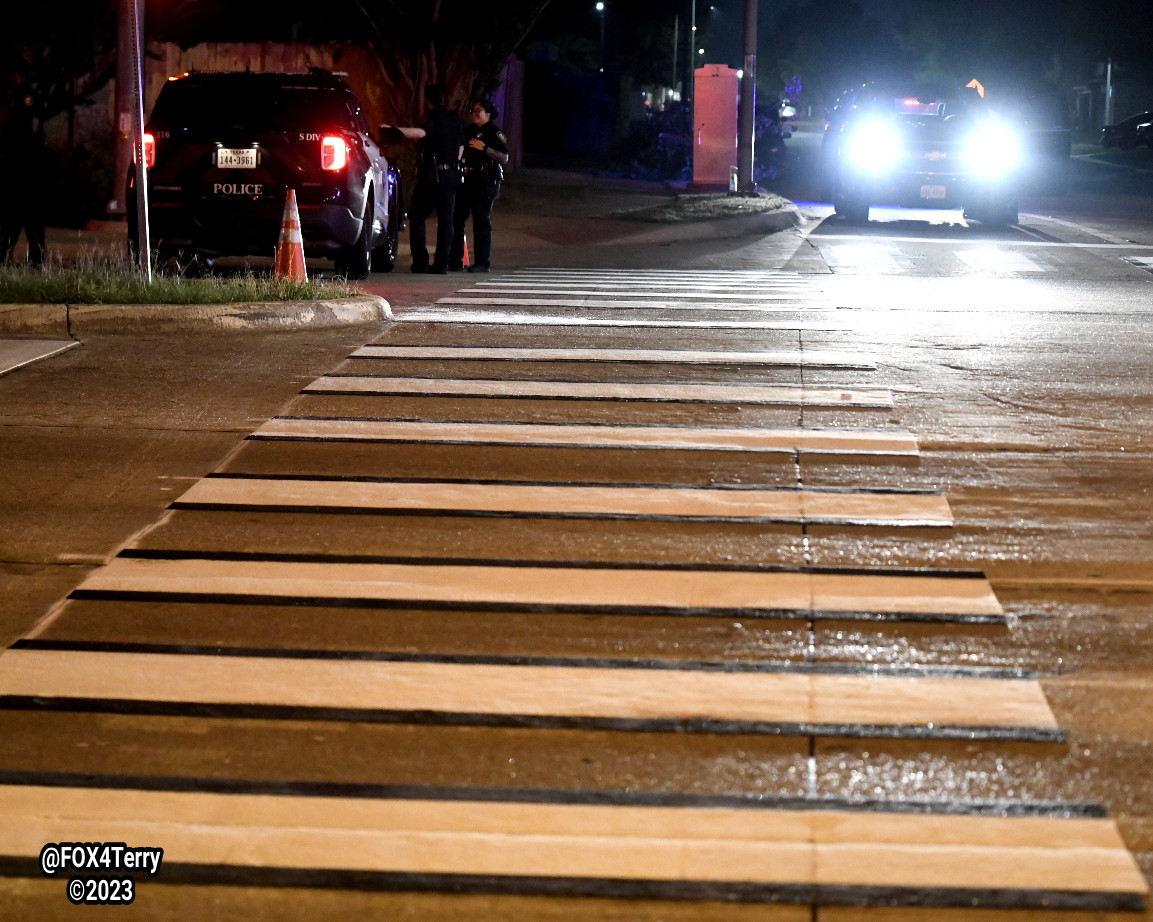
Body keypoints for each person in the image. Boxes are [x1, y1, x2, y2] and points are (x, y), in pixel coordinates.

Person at [387, 84, 462, 274]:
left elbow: (420, 133)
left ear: (427, 101)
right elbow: (461, 146)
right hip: (452, 175)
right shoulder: (455, 119)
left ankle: (420, 262)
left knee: (418, 216)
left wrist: (394, 129)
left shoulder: (434, 118)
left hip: (433, 177)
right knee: (446, 220)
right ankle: (442, 264)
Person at [450, 98, 508, 273]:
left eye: (479, 110)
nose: (474, 114)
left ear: (488, 114)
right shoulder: (468, 130)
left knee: (481, 220)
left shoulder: (495, 133)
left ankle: (483, 262)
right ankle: (455, 260)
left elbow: (504, 158)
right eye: (473, 110)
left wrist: (485, 148)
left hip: (485, 181)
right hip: (466, 179)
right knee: (457, 219)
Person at [0, 74, 47, 268]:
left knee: (21, 221)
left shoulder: (23, 97)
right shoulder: (15, 98)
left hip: (23, 174)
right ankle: (31, 258)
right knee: (20, 222)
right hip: (21, 174)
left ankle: (33, 258)